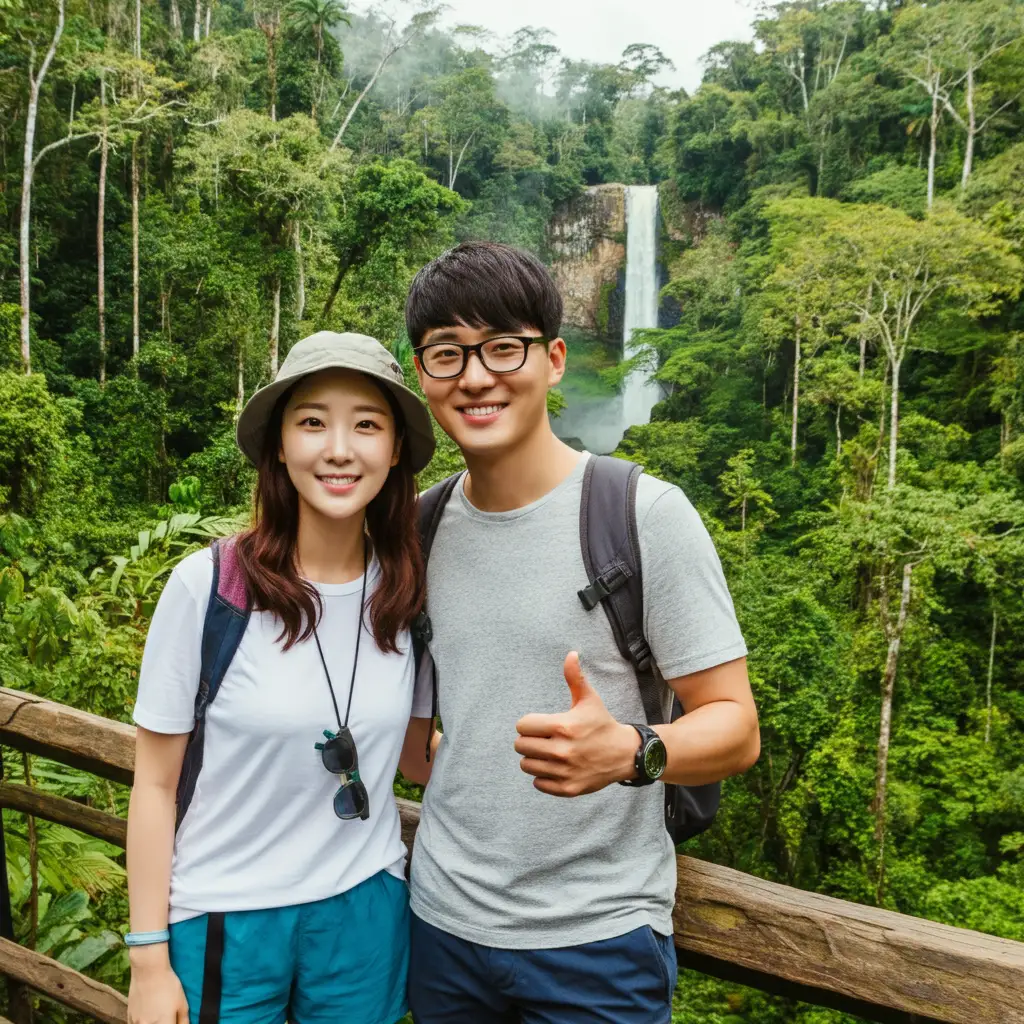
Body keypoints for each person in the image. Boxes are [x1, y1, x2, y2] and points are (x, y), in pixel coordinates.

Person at [400, 242, 761, 1024]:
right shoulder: (418, 529)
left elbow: (736, 728)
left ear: (554, 358)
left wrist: (633, 751)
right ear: (422, 375)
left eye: (503, 347)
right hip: (441, 925)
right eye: (447, 354)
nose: (475, 376)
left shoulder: (644, 516)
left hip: (597, 942)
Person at [125, 331, 436, 1024]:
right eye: (312, 422)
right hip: (227, 916)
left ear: (394, 451)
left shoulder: (406, 594)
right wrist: (147, 958)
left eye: (366, 425)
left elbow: (417, 757)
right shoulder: (211, 587)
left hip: (364, 907)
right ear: (278, 446)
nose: (338, 449)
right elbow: (153, 782)